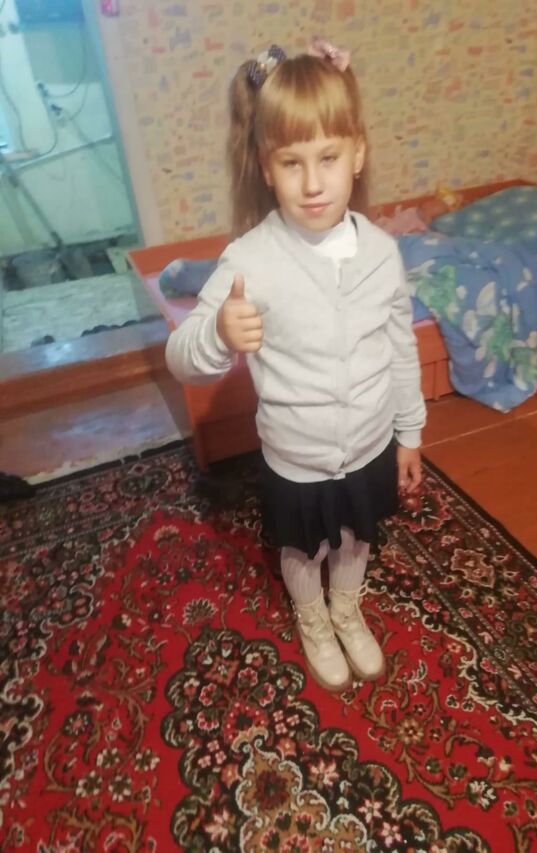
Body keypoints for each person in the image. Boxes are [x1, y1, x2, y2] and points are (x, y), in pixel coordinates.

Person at [165, 38, 426, 692]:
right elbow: (181, 356)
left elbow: (400, 346)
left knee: (356, 538)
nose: (312, 183)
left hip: (369, 443)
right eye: (291, 162)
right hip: (296, 457)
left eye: (328, 158)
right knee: (304, 547)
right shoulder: (250, 259)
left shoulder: (383, 253)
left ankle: (347, 607)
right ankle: (313, 616)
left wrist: (410, 432)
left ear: (357, 153)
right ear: (265, 166)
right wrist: (218, 332)